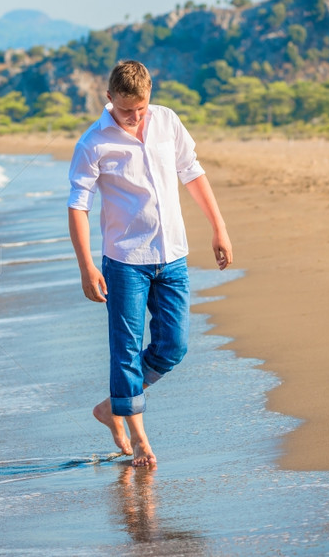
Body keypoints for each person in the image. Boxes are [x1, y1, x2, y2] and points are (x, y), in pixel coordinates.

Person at [67, 60, 233, 467]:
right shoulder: (93, 143)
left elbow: (192, 173)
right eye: (126, 110)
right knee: (124, 351)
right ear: (109, 99)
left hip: (172, 255)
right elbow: (78, 205)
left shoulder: (167, 122)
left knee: (173, 346)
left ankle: (113, 406)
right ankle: (140, 439)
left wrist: (219, 228)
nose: (135, 117)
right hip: (124, 262)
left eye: (141, 108)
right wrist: (87, 266)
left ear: (149, 97)